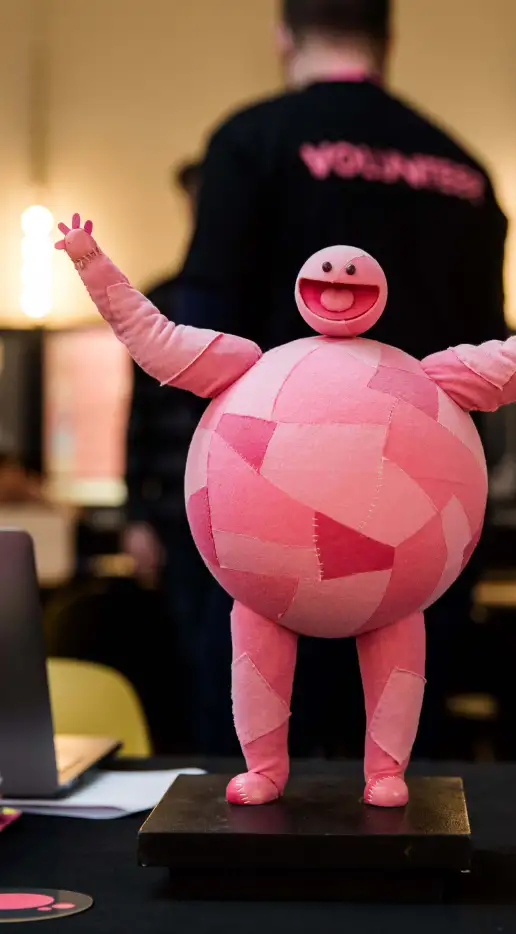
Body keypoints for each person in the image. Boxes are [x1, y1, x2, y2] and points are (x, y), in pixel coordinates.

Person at [176, 0, 509, 757]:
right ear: (389, 41)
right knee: (400, 748)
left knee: (255, 752)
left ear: (283, 39)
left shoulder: (251, 141)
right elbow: (488, 360)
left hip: (270, 500)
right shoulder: (462, 170)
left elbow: (202, 339)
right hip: (426, 509)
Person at [122, 160, 239, 755]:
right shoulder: (161, 302)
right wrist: (135, 516)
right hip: (177, 515)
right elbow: (138, 419)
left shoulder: (259, 298)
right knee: (196, 659)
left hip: (248, 510)